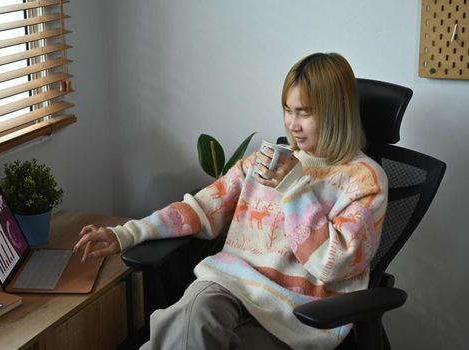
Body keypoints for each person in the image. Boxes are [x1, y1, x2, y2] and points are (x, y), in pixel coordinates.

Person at [74, 52, 388, 350]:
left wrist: (295, 187)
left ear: (335, 112)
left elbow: (332, 265)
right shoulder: (267, 161)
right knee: (193, 310)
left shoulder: (365, 180)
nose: (292, 124)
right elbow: (202, 208)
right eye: (288, 110)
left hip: (296, 312)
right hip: (232, 286)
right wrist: (126, 233)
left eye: (304, 113)